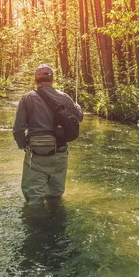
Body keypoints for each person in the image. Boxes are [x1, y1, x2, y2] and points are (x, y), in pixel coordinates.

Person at [13, 64, 83, 205]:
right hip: (60, 153)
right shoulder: (65, 97)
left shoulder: (27, 98)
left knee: (34, 200)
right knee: (55, 198)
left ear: (35, 80)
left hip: (36, 155)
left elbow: (18, 129)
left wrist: (23, 146)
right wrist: (78, 107)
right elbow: (78, 118)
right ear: (52, 80)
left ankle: (36, 224)